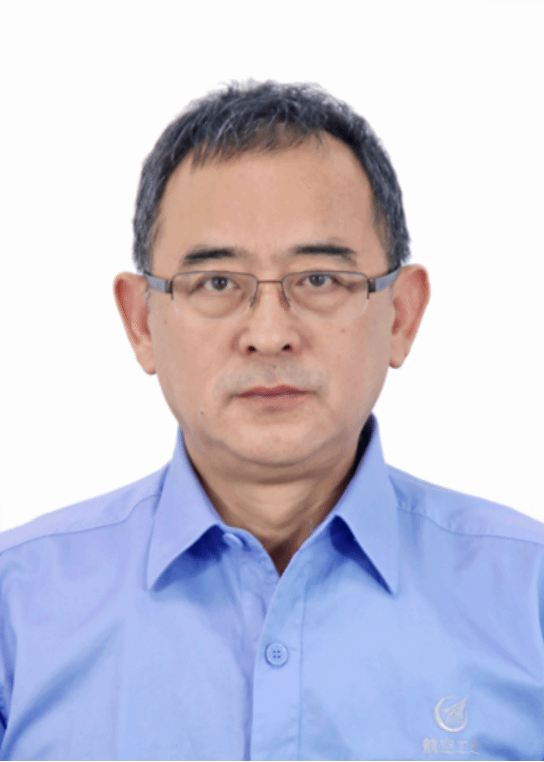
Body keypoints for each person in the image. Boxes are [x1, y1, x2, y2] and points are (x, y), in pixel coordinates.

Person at [0, 80, 542, 762]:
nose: (269, 334)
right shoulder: (17, 609)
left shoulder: (528, 599)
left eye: (318, 279)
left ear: (401, 315)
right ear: (141, 322)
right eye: (217, 283)